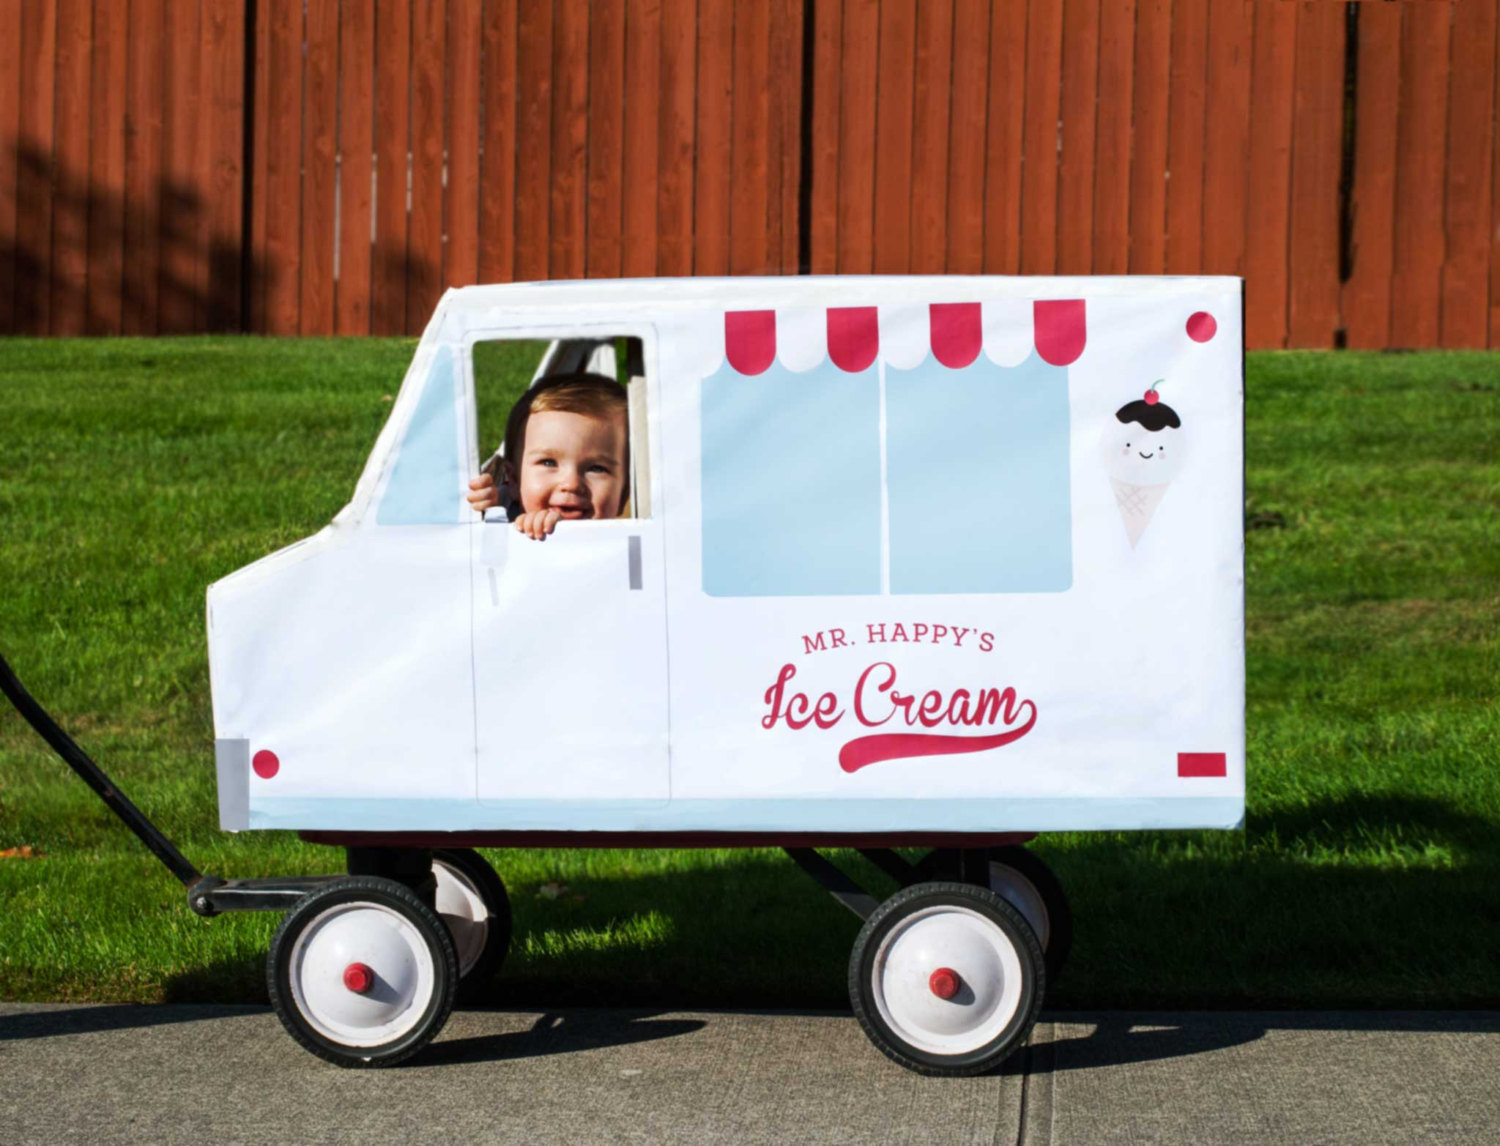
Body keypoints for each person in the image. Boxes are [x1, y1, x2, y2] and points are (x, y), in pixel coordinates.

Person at [466, 372, 630, 540]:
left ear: (624, 493)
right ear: (514, 479)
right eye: (548, 463)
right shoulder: (500, 515)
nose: (571, 484)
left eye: (597, 468)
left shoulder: (638, 543)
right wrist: (489, 512)